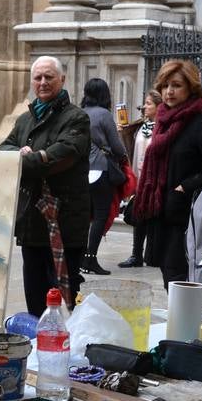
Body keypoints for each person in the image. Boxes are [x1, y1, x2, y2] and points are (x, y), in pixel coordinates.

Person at [0, 56, 90, 316]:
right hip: (32, 224)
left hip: (65, 223)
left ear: (62, 80)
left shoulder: (76, 118)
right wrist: (23, 154)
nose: (43, 82)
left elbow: (63, 153)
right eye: (38, 77)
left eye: (49, 76)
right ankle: (41, 347)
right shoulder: (25, 119)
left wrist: (29, 158)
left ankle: (72, 346)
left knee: (68, 295)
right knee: (35, 300)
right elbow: (2, 150)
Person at [130, 59, 202, 287]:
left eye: (176, 85)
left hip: (191, 218)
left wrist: (185, 186)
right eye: (165, 85)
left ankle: (190, 322)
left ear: (191, 88)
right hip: (163, 216)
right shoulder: (161, 124)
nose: (169, 91)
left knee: (182, 281)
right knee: (171, 279)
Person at [80, 78, 129, 275]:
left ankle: (82, 257)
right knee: (100, 215)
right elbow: (116, 146)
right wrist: (124, 156)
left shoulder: (79, 112)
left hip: (82, 170)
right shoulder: (104, 114)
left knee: (85, 216)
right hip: (101, 168)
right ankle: (90, 259)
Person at [117, 90, 162, 269]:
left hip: (155, 179)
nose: (145, 106)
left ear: (159, 107)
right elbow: (130, 148)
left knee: (152, 217)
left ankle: (152, 254)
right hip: (139, 178)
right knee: (138, 215)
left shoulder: (163, 128)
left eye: (149, 103)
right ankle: (136, 254)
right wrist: (123, 132)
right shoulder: (141, 127)